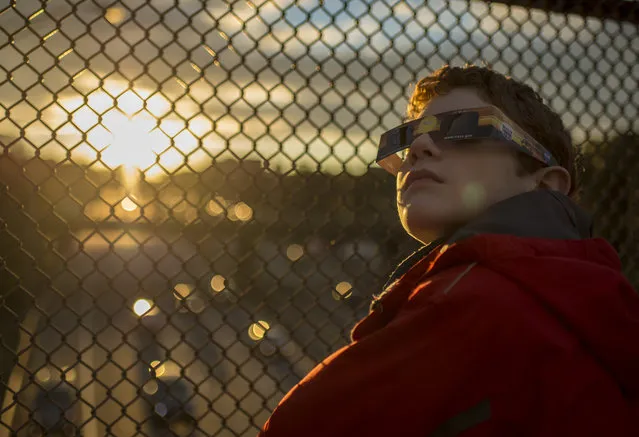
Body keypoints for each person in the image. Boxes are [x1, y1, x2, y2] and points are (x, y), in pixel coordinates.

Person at [258, 64, 639, 436]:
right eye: (407, 139)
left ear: (544, 185)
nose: (418, 148)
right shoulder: (592, 295)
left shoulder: (470, 299)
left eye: (462, 128)